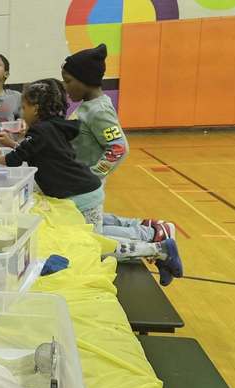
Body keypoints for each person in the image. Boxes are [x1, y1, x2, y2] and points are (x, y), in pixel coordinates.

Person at [0, 80, 182, 285]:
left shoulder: (40, 131)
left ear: (36, 108)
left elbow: (16, 158)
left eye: (24, 108)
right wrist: (13, 144)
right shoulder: (53, 128)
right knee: (96, 236)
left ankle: (159, 250)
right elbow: (35, 151)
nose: (22, 113)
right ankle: (156, 246)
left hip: (81, 196)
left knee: (94, 246)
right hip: (84, 191)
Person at [62, 44, 177, 244]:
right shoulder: (88, 106)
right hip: (78, 179)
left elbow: (118, 147)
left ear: (85, 80)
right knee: (86, 221)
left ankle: (153, 237)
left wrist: (95, 173)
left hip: (86, 182)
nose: (66, 87)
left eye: (68, 81)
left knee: (87, 233)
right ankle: (146, 226)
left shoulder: (99, 111)